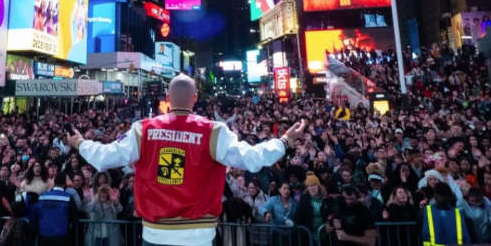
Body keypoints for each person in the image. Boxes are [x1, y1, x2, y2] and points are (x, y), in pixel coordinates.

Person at [67, 74, 306, 246]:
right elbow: (253, 158)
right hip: (199, 235)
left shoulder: (143, 130)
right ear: (195, 98)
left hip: (154, 234)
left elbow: (105, 157)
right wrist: (284, 141)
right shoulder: (214, 131)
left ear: (167, 97)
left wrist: (79, 143)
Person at [32, 172, 79, 246]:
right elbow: (75, 218)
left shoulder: (42, 197)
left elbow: (35, 215)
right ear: (65, 183)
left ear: (54, 182)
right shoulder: (68, 197)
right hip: (61, 235)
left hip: (44, 234)